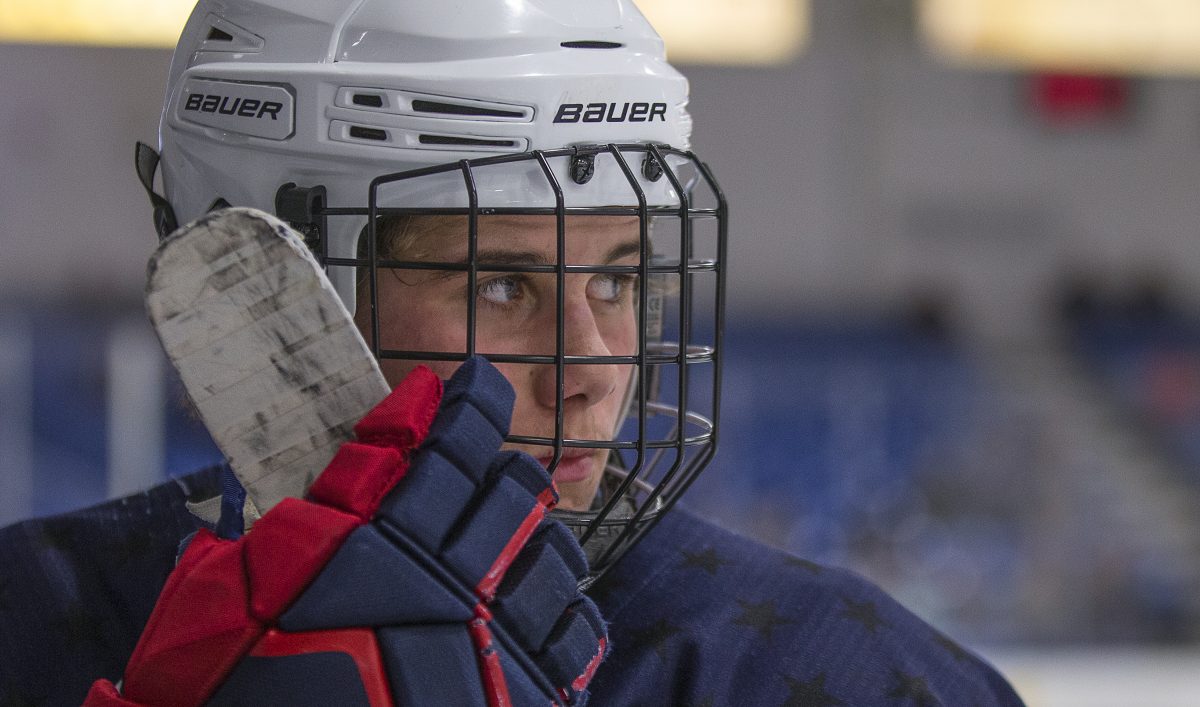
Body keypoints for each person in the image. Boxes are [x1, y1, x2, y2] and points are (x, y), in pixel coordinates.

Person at [0, 1, 1025, 705]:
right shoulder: (34, 617)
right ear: (257, 278)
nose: (592, 369)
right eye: (501, 284)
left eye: (618, 279)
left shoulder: (847, 674)